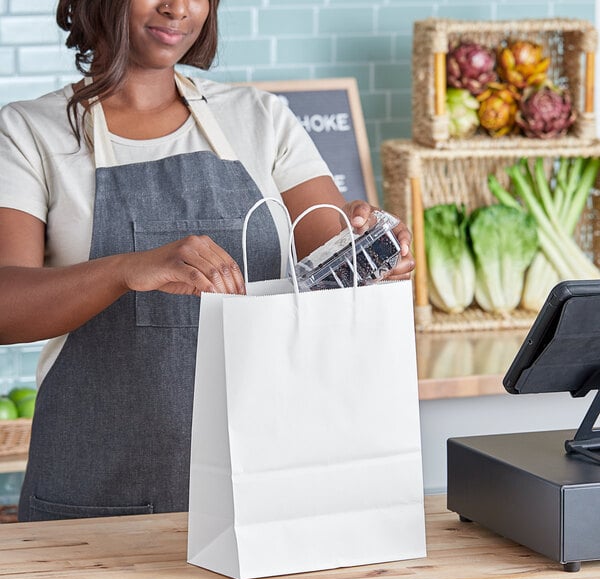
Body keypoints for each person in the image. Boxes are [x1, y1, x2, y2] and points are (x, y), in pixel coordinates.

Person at [0, 0, 415, 522]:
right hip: (98, 489)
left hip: (263, 484)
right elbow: (6, 305)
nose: (177, 8)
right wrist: (128, 269)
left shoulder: (260, 118)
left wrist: (372, 247)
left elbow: (332, 264)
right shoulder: (29, 132)